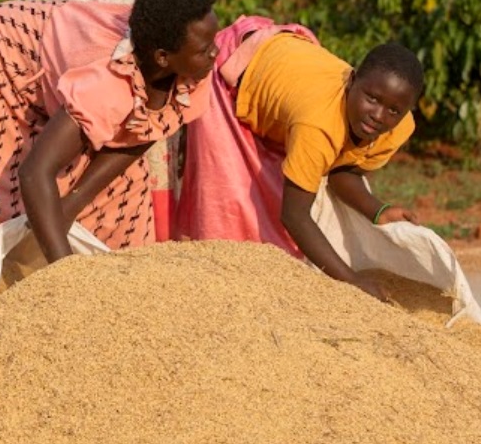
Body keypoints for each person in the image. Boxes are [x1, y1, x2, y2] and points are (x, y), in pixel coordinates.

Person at [0, 0, 220, 322]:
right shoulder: (108, 84)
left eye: (214, 42)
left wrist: (72, 204)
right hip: (3, 59)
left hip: (76, 73)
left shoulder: (193, 69)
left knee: (119, 207)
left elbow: (148, 128)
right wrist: (67, 277)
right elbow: (34, 173)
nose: (216, 53)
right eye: (204, 49)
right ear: (163, 58)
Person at [175, 15, 425, 301]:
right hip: (232, 76)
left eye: (394, 110)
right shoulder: (317, 125)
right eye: (372, 99)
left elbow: (342, 169)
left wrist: (378, 211)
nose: (378, 116)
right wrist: (352, 281)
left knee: (277, 206)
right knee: (232, 213)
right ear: (352, 80)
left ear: (407, 111)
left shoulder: (397, 129)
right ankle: (217, 294)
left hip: (285, 65)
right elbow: (294, 215)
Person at [50, 0, 175, 241]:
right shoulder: (71, 6)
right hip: (87, 136)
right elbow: (63, 61)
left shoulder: (153, 6)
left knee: (148, 236)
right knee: (89, 226)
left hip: (144, 140)